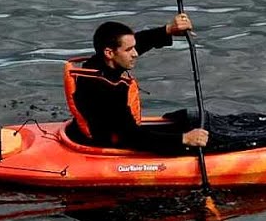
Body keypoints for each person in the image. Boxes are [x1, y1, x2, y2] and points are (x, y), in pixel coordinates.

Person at [62, 12, 210, 154]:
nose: (136, 53)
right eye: (129, 50)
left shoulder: (99, 63)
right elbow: (133, 137)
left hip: (101, 129)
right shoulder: (104, 91)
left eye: (134, 47)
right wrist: (184, 139)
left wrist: (168, 30)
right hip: (108, 144)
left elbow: (138, 42)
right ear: (109, 53)